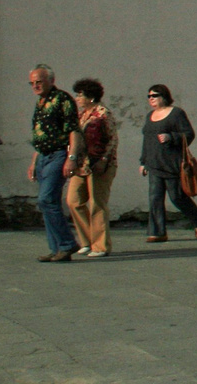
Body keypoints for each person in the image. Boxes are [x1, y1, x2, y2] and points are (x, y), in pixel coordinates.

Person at [27, 64, 84, 263]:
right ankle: (57, 248)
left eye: (39, 82)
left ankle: (67, 243)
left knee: (46, 199)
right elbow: (39, 134)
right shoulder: (40, 102)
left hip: (58, 155)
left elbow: (73, 130)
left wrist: (72, 158)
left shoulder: (63, 99)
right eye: (32, 83)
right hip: (43, 156)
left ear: (51, 80)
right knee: (45, 203)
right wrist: (34, 162)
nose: (35, 86)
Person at [140, 84, 197, 242]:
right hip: (154, 164)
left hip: (172, 164)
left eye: (154, 96)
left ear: (163, 96)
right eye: (149, 96)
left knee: (177, 197)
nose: (151, 99)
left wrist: (171, 137)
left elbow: (189, 134)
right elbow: (147, 141)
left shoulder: (176, 114)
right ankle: (157, 232)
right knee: (155, 199)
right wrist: (143, 162)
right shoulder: (150, 116)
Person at [66, 78, 117, 258]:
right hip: (81, 165)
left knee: (97, 204)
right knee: (73, 201)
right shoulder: (81, 115)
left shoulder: (103, 114)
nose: (77, 98)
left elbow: (111, 139)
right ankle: (87, 240)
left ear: (91, 96)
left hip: (98, 164)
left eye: (80, 95)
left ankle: (101, 245)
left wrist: (104, 159)